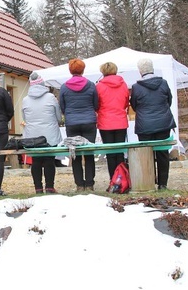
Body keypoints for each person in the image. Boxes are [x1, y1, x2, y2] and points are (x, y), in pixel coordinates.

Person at [130, 58, 176, 190]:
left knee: (146, 155)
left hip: (145, 125)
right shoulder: (163, 83)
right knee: (162, 154)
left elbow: (134, 105)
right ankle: (163, 184)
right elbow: (169, 100)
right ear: (152, 69)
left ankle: (149, 181)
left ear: (140, 71)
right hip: (163, 122)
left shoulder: (136, 87)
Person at [59, 58, 99, 192]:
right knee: (89, 153)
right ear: (83, 69)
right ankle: (89, 183)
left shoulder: (64, 87)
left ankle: (79, 184)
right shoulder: (91, 85)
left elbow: (62, 106)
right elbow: (96, 104)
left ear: (70, 70)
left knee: (74, 153)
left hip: (72, 123)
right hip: (89, 121)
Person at [22, 72, 62, 194]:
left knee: (36, 161)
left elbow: (24, 118)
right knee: (49, 160)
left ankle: (38, 188)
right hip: (50, 135)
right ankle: (49, 187)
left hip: (32, 136)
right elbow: (59, 117)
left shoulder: (25, 100)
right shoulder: (51, 98)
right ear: (43, 84)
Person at [96, 61, 130, 190]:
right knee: (120, 153)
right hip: (120, 121)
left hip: (105, 122)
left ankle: (113, 181)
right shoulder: (123, 85)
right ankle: (122, 179)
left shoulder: (99, 86)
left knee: (110, 154)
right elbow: (126, 102)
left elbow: (97, 104)